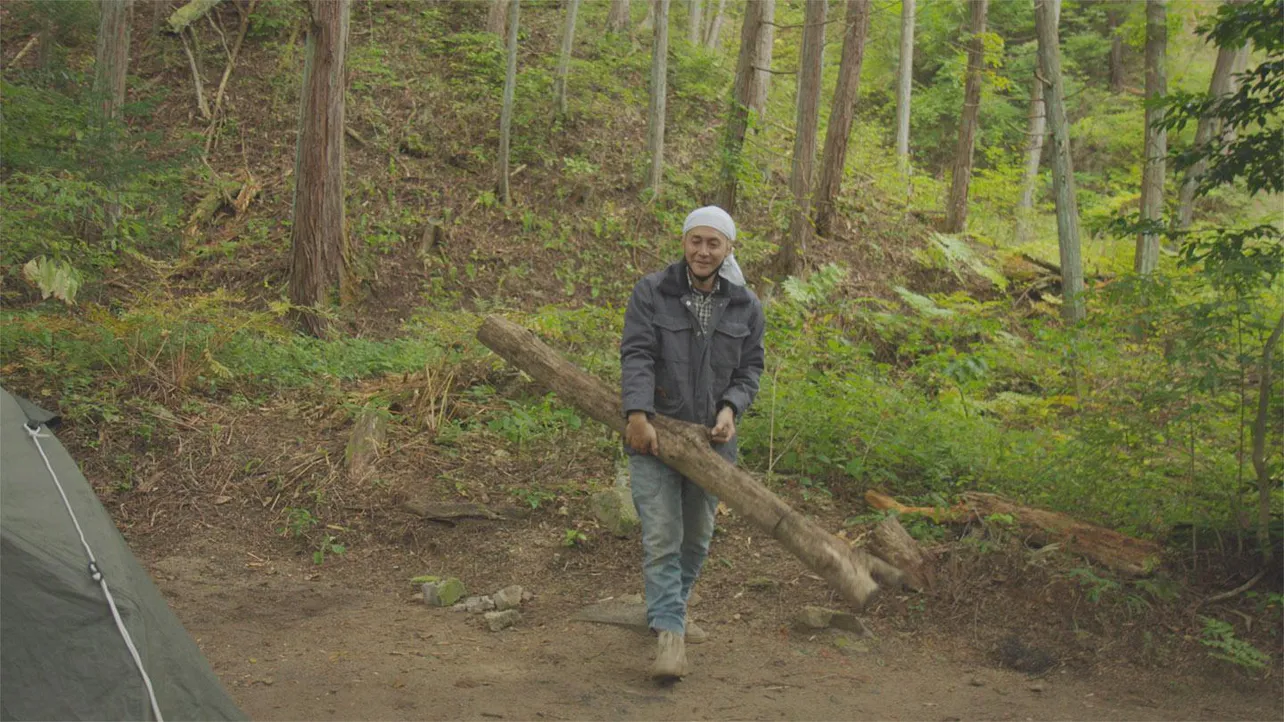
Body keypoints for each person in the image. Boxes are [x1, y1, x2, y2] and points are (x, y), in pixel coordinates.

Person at [619, 206, 766, 680]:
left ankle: (669, 611)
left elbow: (750, 370)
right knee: (662, 535)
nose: (703, 251)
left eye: (713, 243)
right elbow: (637, 354)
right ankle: (670, 637)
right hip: (655, 435)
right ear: (684, 243)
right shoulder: (652, 292)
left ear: (728, 249)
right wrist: (638, 416)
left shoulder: (746, 305)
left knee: (696, 539)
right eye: (695, 241)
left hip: (711, 444)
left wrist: (730, 409)